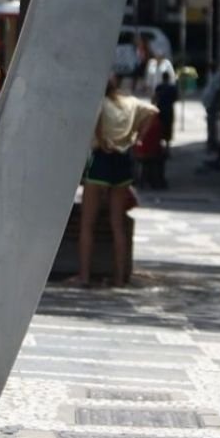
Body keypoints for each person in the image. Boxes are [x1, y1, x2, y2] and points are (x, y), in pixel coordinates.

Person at [71, 76, 157, 288]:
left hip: (101, 159)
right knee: (117, 224)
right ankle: (119, 279)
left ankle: (84, 275)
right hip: (122, 162)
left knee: (87, 224)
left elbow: (96, 128)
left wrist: (102, 140)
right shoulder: (131, 103)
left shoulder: (98, 103)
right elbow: (154, 112)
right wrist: (137, 136)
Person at [154, 70, 179, 148]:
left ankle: (159, 146)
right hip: (169, 110)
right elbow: (176, 98)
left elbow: (155, 98)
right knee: (168, 128)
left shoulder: (159, 87)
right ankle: (167, 147)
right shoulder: (172, 87)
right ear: (168, 78)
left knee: (160, 127)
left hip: (160, 109)